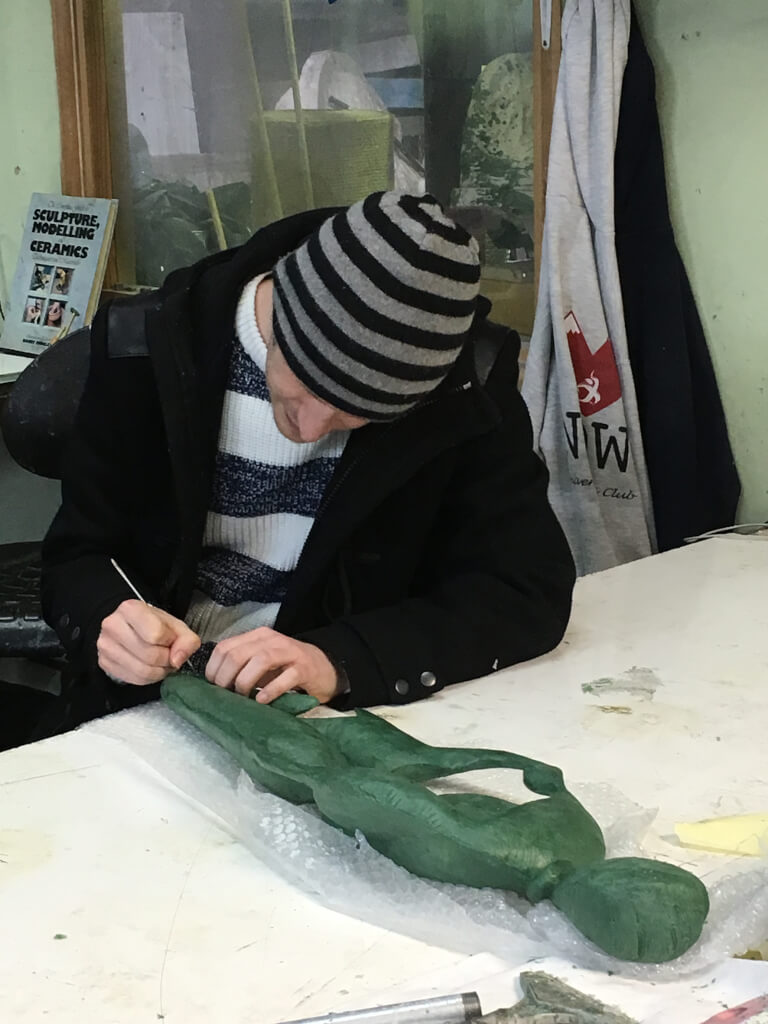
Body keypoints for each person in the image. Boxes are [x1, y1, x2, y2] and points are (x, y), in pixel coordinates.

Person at [32, 191, 574, 742]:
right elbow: (77, 555)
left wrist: (340, 658)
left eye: (355, 416)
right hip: (146, 707)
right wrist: (106, 613)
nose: (312, 429)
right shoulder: (146, 346)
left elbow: (524, 590)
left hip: (336, 718)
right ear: (279, 315)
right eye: (304, 387)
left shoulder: (466, 390)